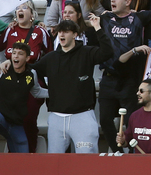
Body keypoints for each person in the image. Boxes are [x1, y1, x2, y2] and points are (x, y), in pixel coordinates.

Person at [34, 13, 114, 153]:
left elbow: (107, 52)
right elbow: (30, 71)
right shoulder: (51, 58)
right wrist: (8, 64)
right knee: (54, 163)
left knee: (86, 162)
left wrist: (97, 28)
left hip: (82, 116)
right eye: (60, 31)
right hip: (56, 118)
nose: (62, 35)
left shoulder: (86, 52)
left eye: (66, 31)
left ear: (75, 34)